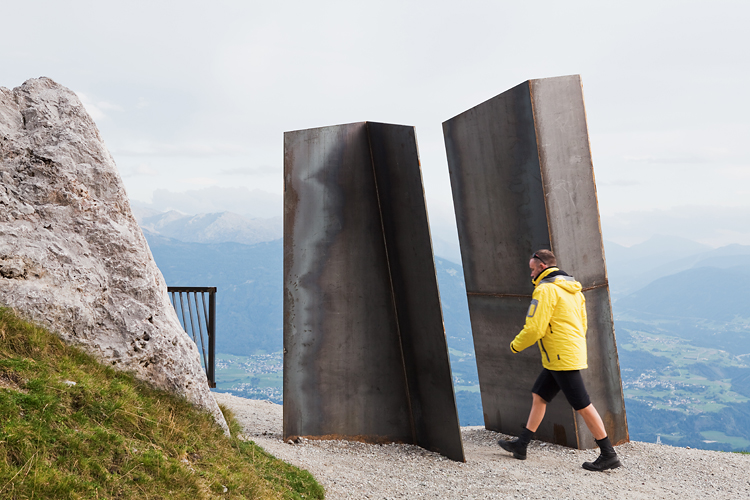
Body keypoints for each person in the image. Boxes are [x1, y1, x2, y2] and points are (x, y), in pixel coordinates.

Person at [497, 249, 621, 472]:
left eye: (532, 269)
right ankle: (522, 444)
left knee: (582, 404)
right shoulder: (573, 289)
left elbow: (535, 327)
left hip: (560, 356)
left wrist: (515, 345)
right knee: (540, 395)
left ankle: (608, 454)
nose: (531, 274)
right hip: (566, 353)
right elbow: (582, 325)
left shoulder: (546, 290)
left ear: (542, 266)